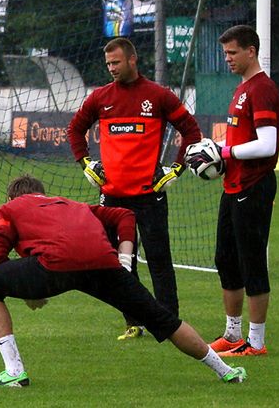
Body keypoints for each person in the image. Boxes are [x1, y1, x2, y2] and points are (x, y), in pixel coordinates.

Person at [0, 175, 246, 387]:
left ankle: (14, 372)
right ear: (42, 193)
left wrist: (26, 290)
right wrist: (125, 260)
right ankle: (226, 371)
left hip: (55, 264)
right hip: (104, 263)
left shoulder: (11, 207)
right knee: (162, 319)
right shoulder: (74, 205)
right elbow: (124, 215)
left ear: (12, 196)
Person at [67, 37, 201, 340]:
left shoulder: (158, 96)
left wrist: (176, 169)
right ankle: (134, 322)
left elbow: (191, 131)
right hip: (112, 197)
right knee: (119, 263)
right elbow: (75, 129)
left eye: (116, 62)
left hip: (149, 196)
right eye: (108, 64)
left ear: (132, 60)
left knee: (159, 261)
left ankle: (169, 324)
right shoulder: (100, 97)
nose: (112, 68)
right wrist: (86, 163)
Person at [191, 25, 279, 357]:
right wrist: (216, 150)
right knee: (224, 259)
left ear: (251, 51)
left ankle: (256, 343)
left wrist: (225, 153)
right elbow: (242, 141)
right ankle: (232, 334)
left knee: (251, 261)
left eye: (232, 53)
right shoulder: (242, 88)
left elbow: (268, 144)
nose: (226, 58)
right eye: (225, 52)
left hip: (254, 186)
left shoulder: (263, 89)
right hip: (234, 185)